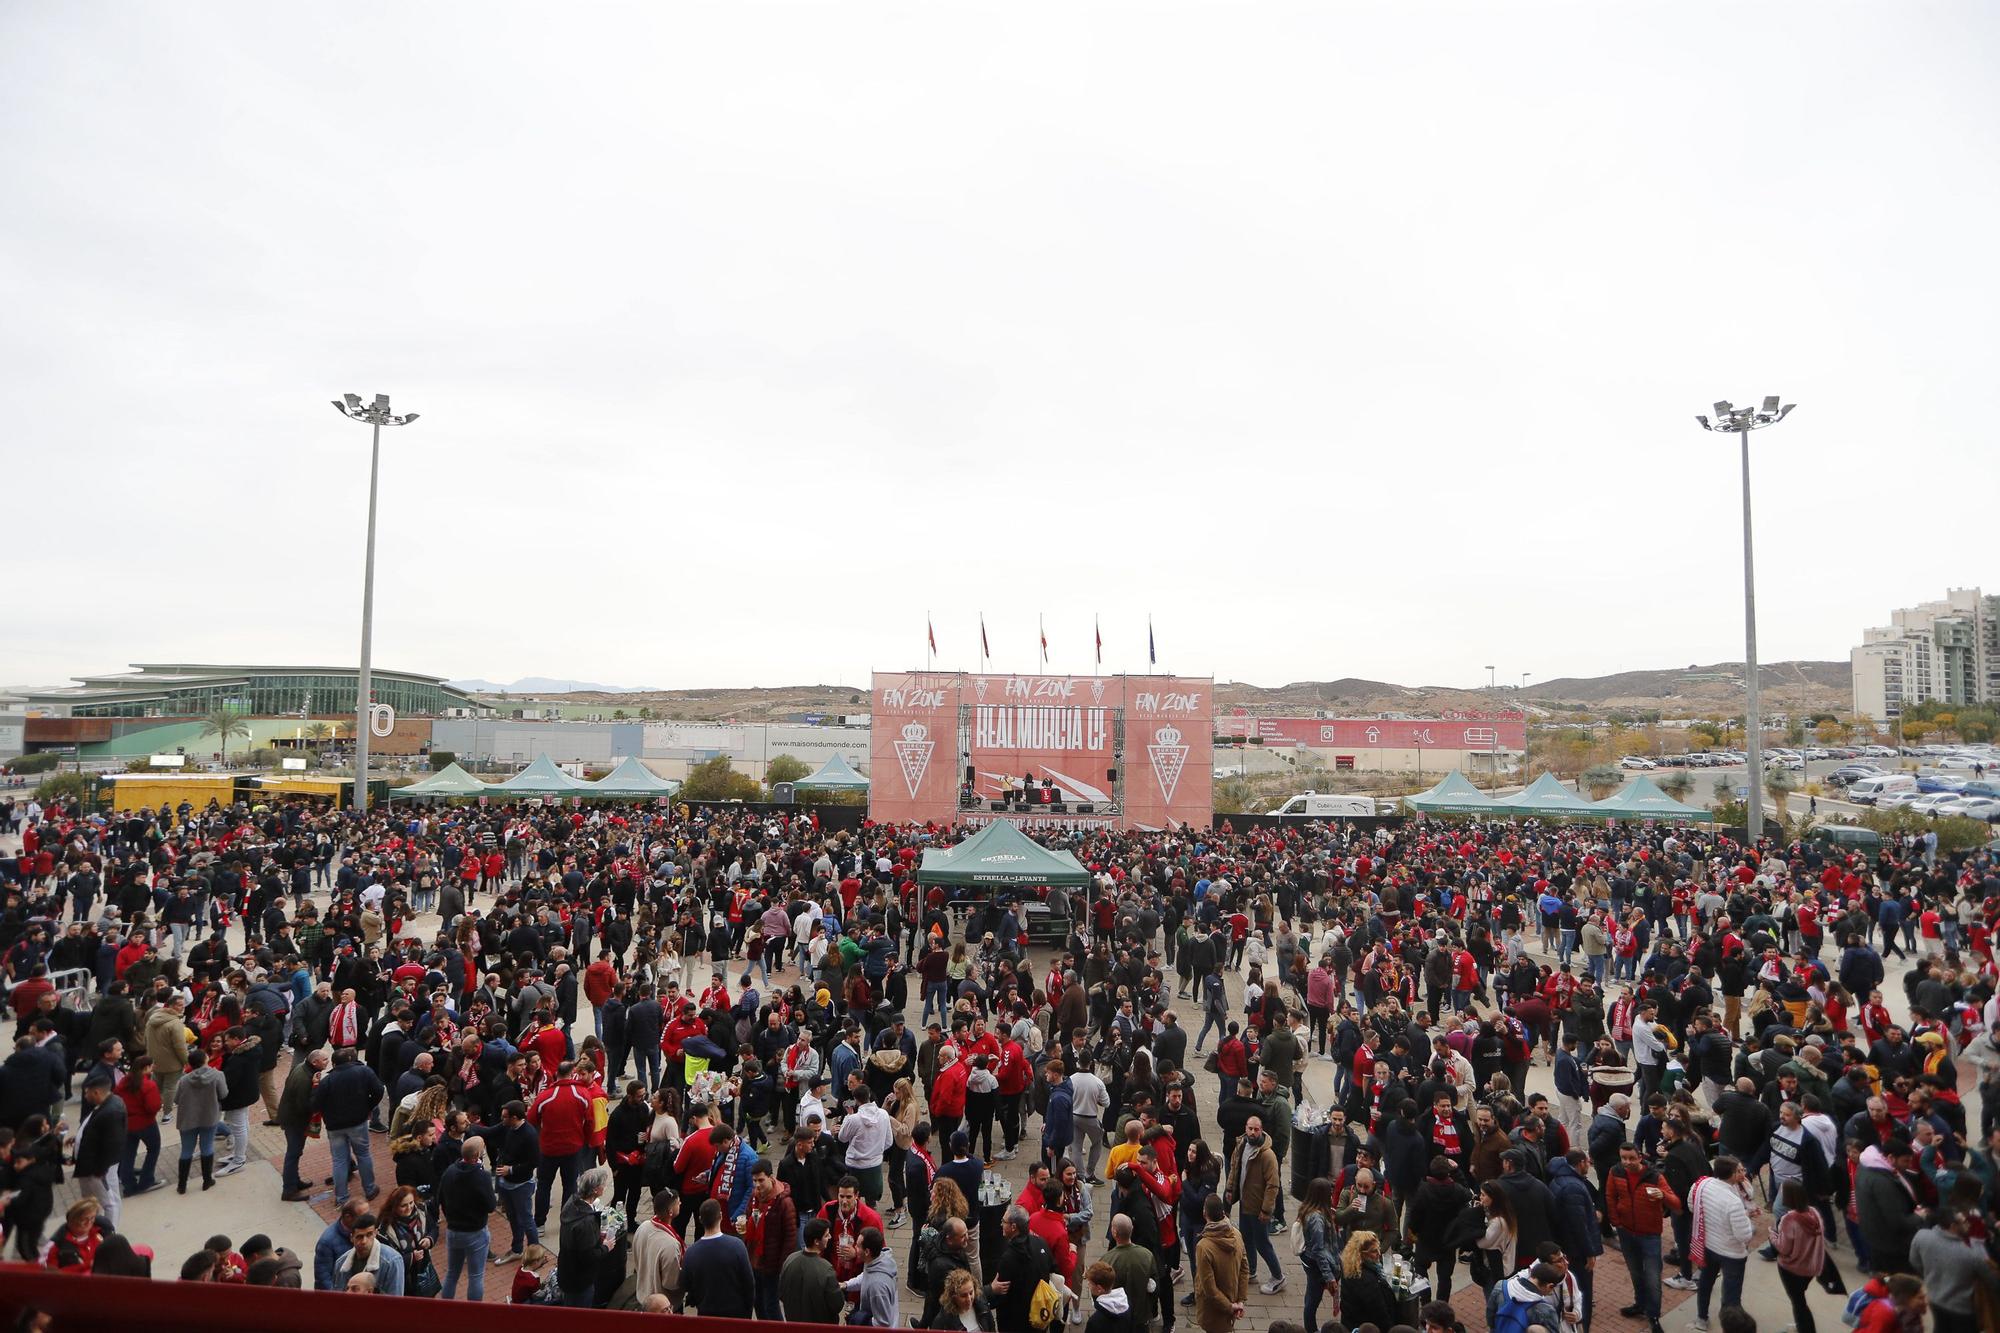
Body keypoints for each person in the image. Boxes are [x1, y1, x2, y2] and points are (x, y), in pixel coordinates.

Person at [1604, 1142, 1679, 1333]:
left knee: (1653, 1277)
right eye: (1623, 1158)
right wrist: (1616, 1221)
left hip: (1650, 1235)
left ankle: (1653, 1315)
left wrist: (1661, 1195)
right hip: (1626, 1231)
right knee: (1636, 1272)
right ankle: (1640, 1304)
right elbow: (1610, 1196)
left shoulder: (1654, 1176)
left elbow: (1675, 1202)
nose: (1626, 1162)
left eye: (1631, 1158)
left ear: (1640, 1157)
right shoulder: (1616, 1172)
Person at [1686, 1155, 1754, 1332]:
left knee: (1705, 1283)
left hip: (1707, 1246)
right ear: (1731, 1174)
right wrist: (1747, 1218)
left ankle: (1702, 1318)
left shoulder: (1700, 1185)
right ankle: (1731, 1326)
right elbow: (1744, 1235)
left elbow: (1692, 1206)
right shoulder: (1733, 1202)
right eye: (1738, 1170)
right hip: (1732, 1254)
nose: (1742, 1173)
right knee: (1731, 1294)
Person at [1908, 1206, 2000, 1333]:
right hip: (1962, 1310)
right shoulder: (1971, 1254)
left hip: (1935, 1300)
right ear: (1953, 1226)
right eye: (1963, 1221)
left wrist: (1930, 1275)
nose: (1968, 1224)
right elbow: (1993, 1283)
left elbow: (1914, 1261)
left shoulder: (1921, 1236)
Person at [1224, 1114, 1283, 1294]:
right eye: (1250, 1128)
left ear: (1261, 1130)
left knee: (1262, 1243)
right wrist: (1229, 1190)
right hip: (1245, 1203)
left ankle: (1278, 1276)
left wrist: (1266, 1210)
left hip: (1258, 1208)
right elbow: (1234, 1169)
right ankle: (1251, 1272)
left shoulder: (1267, 1155)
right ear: (1245, 1128)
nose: (1252, 1132)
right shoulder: (1241, 1145)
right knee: (1246, 1238)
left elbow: (1273, 1185)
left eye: (1256, 1129)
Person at [436, 1137, 496, 1300]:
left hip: (453, 1230)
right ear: (477, 1155)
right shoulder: (482, 1176)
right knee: (476, 1276)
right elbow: (491, 1206)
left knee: (452, 1273)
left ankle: (446, 1306)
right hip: (475, 1232)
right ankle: (473, 1313)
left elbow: (440, 1197)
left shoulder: (450, 1171)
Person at [682, 1196, 756, 1317]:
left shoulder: (691, 1253)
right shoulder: (737, 1246)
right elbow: (749, 1283)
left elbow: (686, 1284)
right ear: (720, 1216)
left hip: (706, 1314)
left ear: (700, 1219)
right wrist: (747, 1312)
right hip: (736, 1314)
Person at [71, 1072, 127, 1228]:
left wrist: (100, 1170)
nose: (85, 1096)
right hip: (91, 1167)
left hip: (98, 1169)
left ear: (96, 1092)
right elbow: (94, 1131)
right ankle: (95, 1226)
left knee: (109, 1202)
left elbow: (113, 1144)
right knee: (91, 1200)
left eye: (86, 1092)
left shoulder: (111, 1111)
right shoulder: (105, 1106)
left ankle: (110, 1233)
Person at [1771, 1180, 1826, 1333]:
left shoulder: (1789, 1219)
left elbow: (1783, 1248)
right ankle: (1802, 1326)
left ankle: (1805, 1329)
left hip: (1792, 1270)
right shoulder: (1814, 1212)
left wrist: (1772, 1235)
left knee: (1798, 1303)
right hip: (1811, 1268)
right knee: (1800, 1299)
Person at [173, 1047, 226, 1194]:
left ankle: (182, 1185)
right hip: (209, 1117)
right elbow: (224, 1093)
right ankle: (207, 1180)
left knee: (186, 1151)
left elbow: (176, 1100)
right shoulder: (217, 1075)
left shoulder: (184, 1080)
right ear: (205, 1060)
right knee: (207, 1147)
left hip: (187, 1119)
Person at [1192, 1194, 1247, 1333]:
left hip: (1213, 1310)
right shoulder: (1236, 1234)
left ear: (1205, 1213)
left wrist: (1230, 1307)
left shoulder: (1204, 1246)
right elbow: (1244, 1269)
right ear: (1223, 1213)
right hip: (1232, 1298)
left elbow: (1209, 1288)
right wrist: (1239, 1301)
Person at [780, 1216, 845, 1324]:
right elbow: (837, 1305)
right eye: (826, 1235)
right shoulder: (826, 1269)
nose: (829, 1237)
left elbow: (782, 1293)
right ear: (816, 1241)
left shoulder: (790, 1260)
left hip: (793, 1324)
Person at [1296, 1178, 1341, 1333]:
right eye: (1329, 1194)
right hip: (1317, 1267)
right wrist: (1329, 1277)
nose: (1331, 1197)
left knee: (1311, 1298)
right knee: (1313, 1301)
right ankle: (1311, 1329)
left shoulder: (1312, 1211)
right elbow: (1319, 1250)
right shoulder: (1316, 1219)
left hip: (1312, 1263)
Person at [633, 1188, 684, 1310]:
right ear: (670, 1211)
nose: (681, 1203)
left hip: (643, 1295)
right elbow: (671, 1283)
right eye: (678, 1202)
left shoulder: (643, 1227)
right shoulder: (670, 1245)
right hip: (663, 1306)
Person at [335, 1211, 406, 1296]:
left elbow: (395, 1301)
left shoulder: (392, 1261)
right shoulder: (341, 1263)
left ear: (375, 1233)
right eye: (359, 1237)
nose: (364, 1241)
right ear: (352, 1238)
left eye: (369, 1235)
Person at [1339, 1230, 1397, 1333]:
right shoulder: (1367, 1281)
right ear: (1361, 1254)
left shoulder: (1350, 1267)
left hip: (1350, 1324)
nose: (1379, 1253)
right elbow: (1379, 1313)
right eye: (1374, 1251)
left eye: (1378, 1248)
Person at [842, 1225, 898, 1326]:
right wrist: (846, 1285)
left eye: (858, 1246)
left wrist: (858, 1319)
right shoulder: (877, 1261)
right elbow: (866, 1276)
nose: (854, 1247)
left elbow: (882, 1323)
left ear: (867, 1252)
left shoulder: (877, 1286)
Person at [1083, 1258, 1136, 1333]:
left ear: (1099, 1289)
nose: (1088, 1285)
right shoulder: (1127, 1303)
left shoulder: (1095, 1321)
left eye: (1090, 1283)